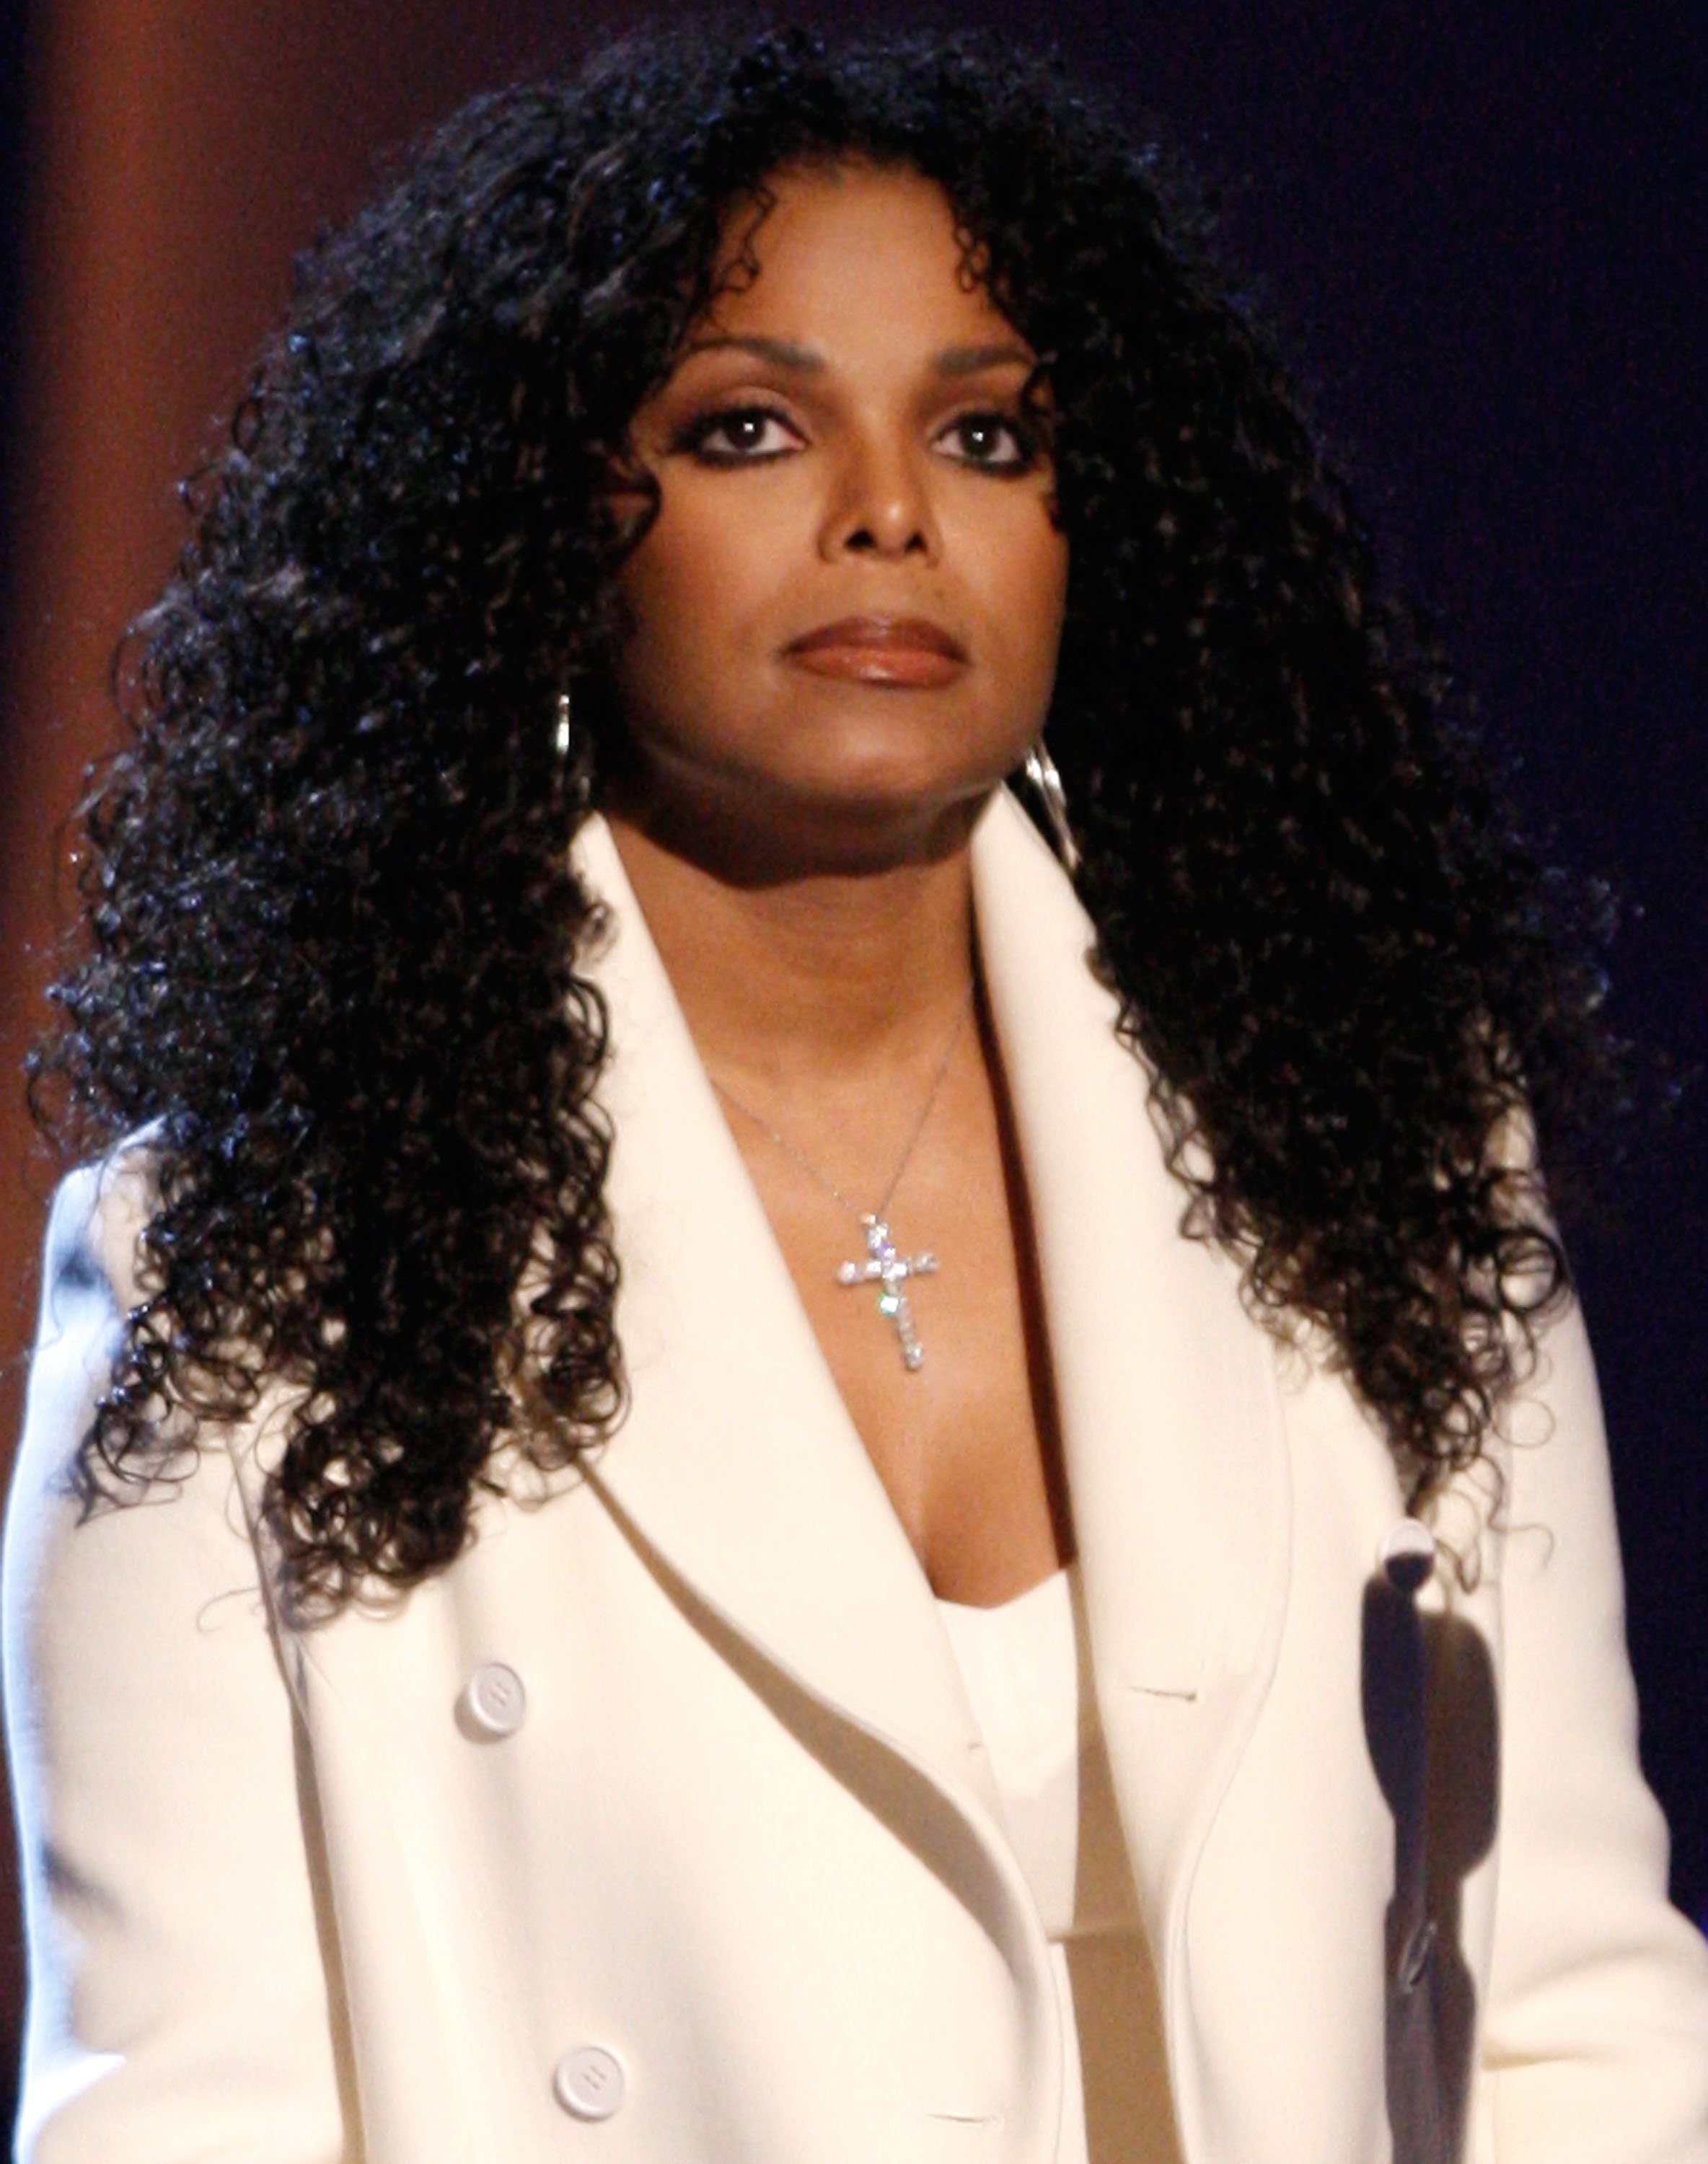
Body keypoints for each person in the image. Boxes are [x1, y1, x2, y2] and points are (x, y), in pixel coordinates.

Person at [5, 23, 1706, 2164]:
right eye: (748, 429)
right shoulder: (250, 1275)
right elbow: (179, 2121)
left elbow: (1578, 2023)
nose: (893, 514)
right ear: (547, 526)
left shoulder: (1370, 1149)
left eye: (988, 434)